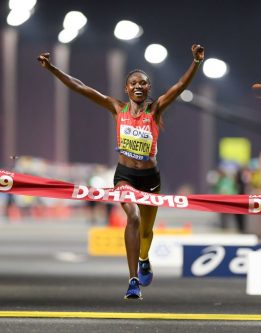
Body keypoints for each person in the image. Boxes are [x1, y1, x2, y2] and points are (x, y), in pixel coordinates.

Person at [38, 44, 205, 300]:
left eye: (143, 83)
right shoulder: (117, 108)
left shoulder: (155, 109)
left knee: (147, 231)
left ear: (149, 89)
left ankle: (144, 258)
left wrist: (195, 62)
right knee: (133, 218)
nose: (138, 86)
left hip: (150, 178)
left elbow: (179, 87)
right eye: (133, 83)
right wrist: (52, 68)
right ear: (126, 89)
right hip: (125, 176)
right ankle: (133, 280)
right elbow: (80, 86)